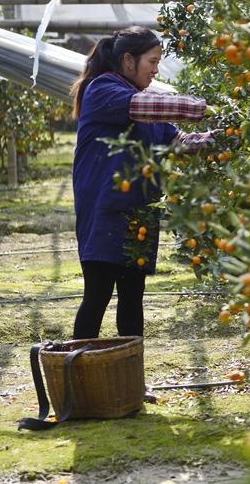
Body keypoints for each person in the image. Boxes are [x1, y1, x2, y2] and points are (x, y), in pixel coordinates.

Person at [70, 26, 213, 340]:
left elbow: (181, 142)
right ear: (128, 60)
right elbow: (146, 108)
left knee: (133, 299)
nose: (156, 69)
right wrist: (204, 108)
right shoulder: (103, 89)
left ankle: (131, 383)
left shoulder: (146, 106)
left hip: (139, 213)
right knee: (98, 295)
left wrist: (221, 137)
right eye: (153, 60)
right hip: (105, 211)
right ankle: (76, 381)